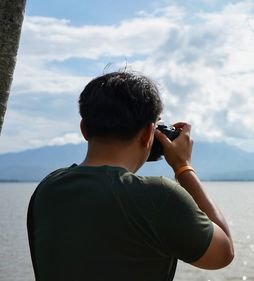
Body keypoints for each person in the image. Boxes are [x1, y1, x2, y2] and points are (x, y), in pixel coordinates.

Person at [27, 71, 234, 281]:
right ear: (148, 134)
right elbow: (223, 253)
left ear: (84, 129)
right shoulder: (160, 198)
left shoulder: (48, 189)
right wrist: (183, 167)